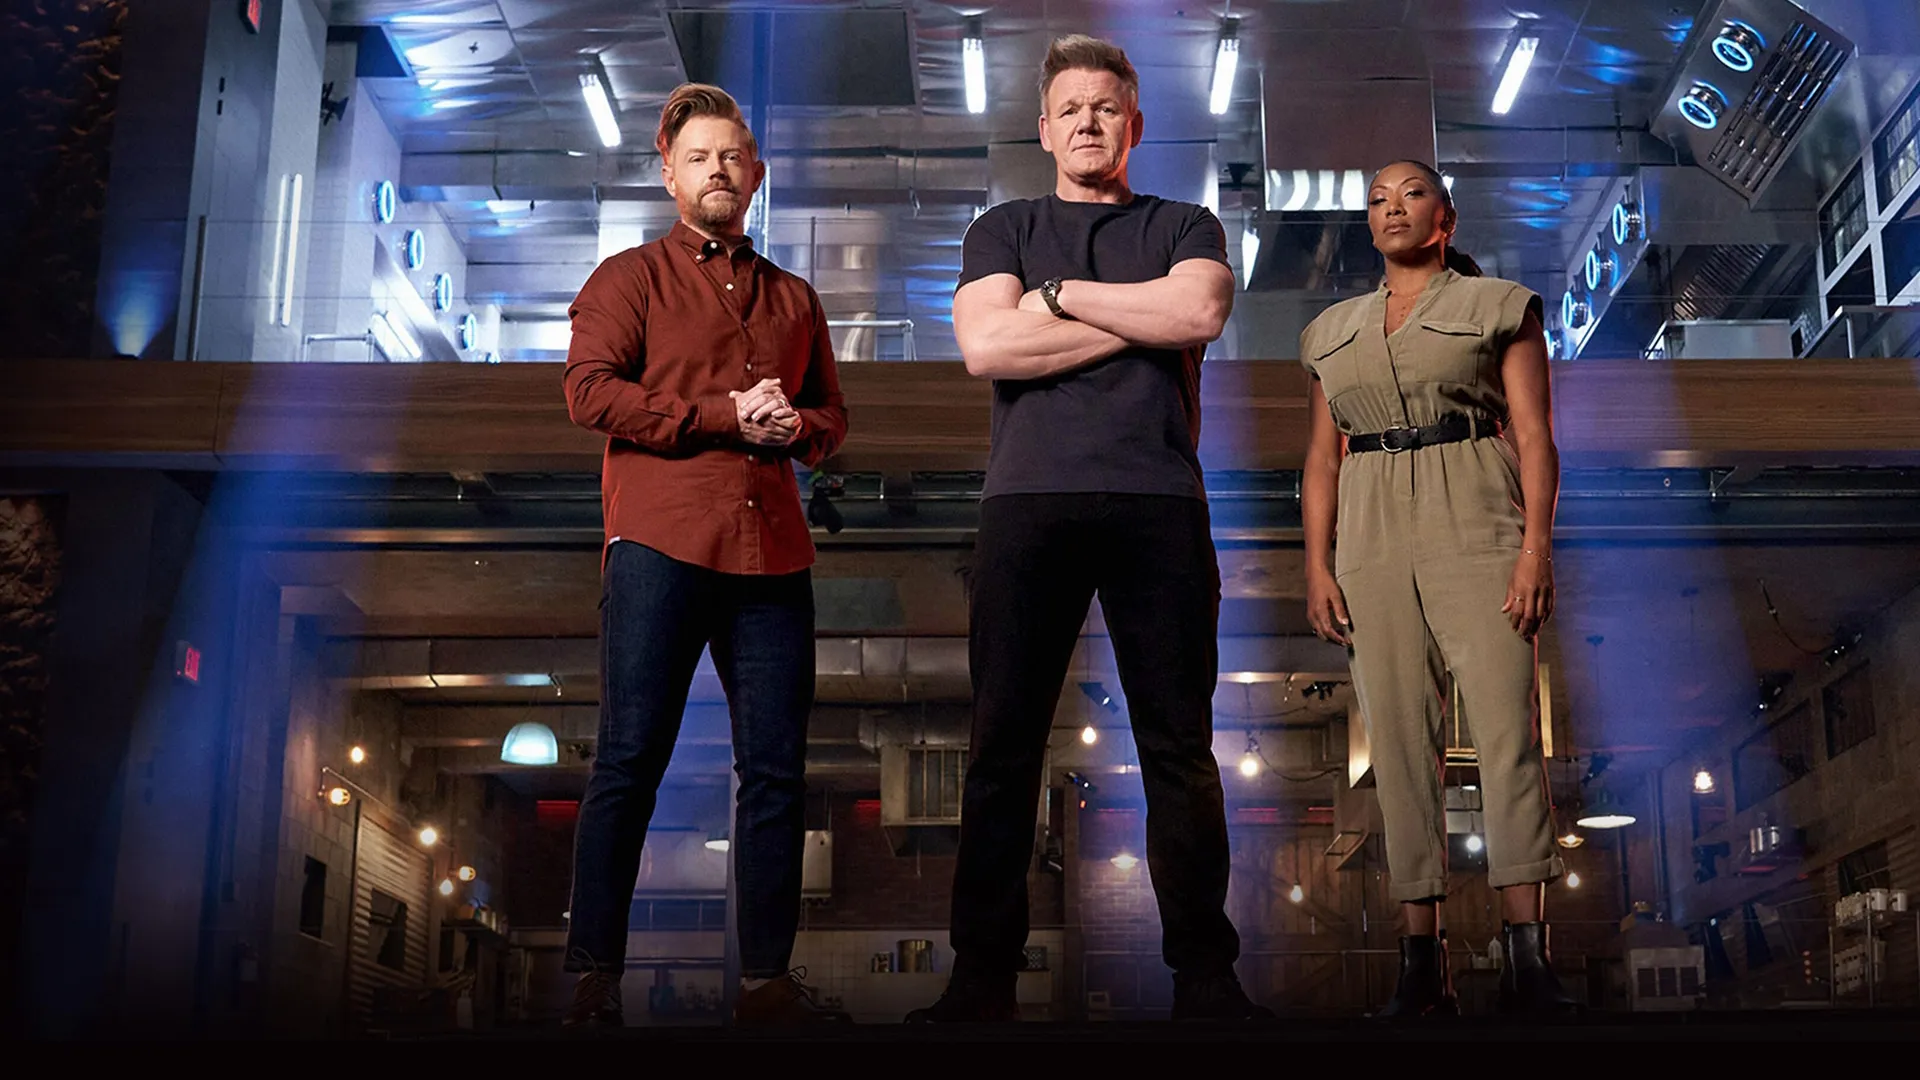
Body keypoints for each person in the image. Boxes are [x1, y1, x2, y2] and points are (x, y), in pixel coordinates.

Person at [909, 34, 1268, 1023]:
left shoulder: (1183, 222)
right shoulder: (1004, 229)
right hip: (1028, 504)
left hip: (1160, 504)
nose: (1088, 122)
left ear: (1134, 124)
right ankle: (980, 979)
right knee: (1001, 747)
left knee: (1180, 748)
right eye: (1070, 108)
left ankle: (1204, 976)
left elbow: (1198, 313)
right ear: (1043, 127)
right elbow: (987, 346)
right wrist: (1136, 317)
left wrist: (1059, 302)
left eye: (1106, 107)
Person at [559, 83, 850, 1028]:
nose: (717, 170)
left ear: (755, 174)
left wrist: (794, 424)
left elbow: (831, 421)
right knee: (629, 759)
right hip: (660, 543)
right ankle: (591, 979)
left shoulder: (797, 297)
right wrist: (724, 415)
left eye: (732, 156)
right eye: (698, 157)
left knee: (775, 772)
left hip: (774, 556)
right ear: (669, 173)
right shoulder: (630, 277)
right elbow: (589, 393)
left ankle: (767, 983)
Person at [1298, 160, 1578, 1017]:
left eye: (1410, 194)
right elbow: (1321, 456)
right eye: (1377, 200)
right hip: (1372, 528)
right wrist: (1316, 562)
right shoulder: (1329, 332)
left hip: (1478, 512)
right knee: (1398, 750)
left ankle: (1528, 959)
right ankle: (1423, 966)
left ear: (1445, 217)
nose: (1392, 208)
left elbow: (1534, 436)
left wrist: (1536, 549)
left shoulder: (1500, 305)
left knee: (1505, 734)